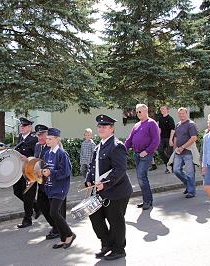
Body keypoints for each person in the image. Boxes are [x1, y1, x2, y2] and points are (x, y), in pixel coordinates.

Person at [86, 114, 132, 261]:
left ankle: (119, 249)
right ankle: (107, 244)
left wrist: (105, 183)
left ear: (112, 129)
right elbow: (93, 167)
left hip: (117, 191)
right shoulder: (99, 146)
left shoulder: (117, 146)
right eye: (99, 126)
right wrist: (88, 179)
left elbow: (120, 169)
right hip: (101, 190)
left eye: (104, 126)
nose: (101, 128)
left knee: (115, 220)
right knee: (95, 216)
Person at [42, 128, 76, 249]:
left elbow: (65, 172)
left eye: (50, 139)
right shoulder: (47, 153)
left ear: (57, 139)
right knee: (55, 214)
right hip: (50, 188)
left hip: (60, 188)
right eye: (47, 138)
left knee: (54, 212)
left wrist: (51, 173)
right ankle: (63, 238)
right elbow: (46, 169)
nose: (47, 140)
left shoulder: (62, 154)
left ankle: (70, 234)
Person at [124, 104, 160, 210]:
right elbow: (129, 140)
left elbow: (156, 140)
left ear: (146, 111)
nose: (138, 113)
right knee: (142, 177)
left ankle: (147, 201)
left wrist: (147, 151)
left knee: (141, 176)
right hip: (137, 154)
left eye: (140, 111)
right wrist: (122, 150)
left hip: (146, 155)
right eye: (137, 111)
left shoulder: (151, 123)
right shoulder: (136, 125)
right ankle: (147, 200)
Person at [33, 124, 61, 240]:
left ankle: (58, 229)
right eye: (38, 135)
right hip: (41, 182)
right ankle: (54, 226)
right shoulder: (37, 146)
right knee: (42, 204)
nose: (40, 137)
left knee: (54, 209)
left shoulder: (53, 146)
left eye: (42, 135)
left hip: (52, 183)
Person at [13, 117, 39, 228]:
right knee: (17, 191)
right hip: (20, 171)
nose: (22, 128)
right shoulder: (20, 137)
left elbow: (37, 155)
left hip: (31, 171)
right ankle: (37, 206)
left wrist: (27, 158)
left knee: (28, 195)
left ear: (30, 127)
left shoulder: (34, 139)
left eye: (24, 126)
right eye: (21, 126)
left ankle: (27, 220)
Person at [172, 107, 199, 198]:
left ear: (186, 113)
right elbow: (175, 137)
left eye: (183, 113)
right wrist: (175, 149)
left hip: (188, 152)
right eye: (179, 114)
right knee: (176, 170)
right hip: (178, 152)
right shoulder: (178, 124)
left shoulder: (191, 124)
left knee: (190, 173)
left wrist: (183, 147)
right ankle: (188, 184)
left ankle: (191, 191)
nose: (181, 115)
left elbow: (194, 138)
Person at [157, 105, 176, 173]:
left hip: (169, 138)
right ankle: (168, 164)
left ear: (167, 110)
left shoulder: (170, 118)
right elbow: (159, 129)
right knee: (160, 150)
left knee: (169, 153)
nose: (162, 110)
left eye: (163, 109)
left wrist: (171, 139)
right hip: (162, 138)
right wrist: (158, 138)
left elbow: (172, 130)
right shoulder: (160, 118)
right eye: (161, 109)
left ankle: (170, 167)